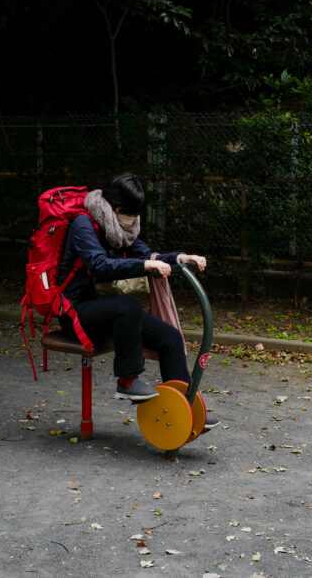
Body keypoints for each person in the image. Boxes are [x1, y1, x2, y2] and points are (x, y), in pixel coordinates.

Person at [56, 172, 218, 430]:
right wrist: (145, 264)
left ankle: (185, 405)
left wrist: (181, 259)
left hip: (109, 311)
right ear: (118, 209)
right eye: (131, 214)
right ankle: (128, 380)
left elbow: (149, 255)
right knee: (129, 305)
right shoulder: (84, 225)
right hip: (76, 312)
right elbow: (99, 266)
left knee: (170, 337)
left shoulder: (120, 229)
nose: (133, 221)